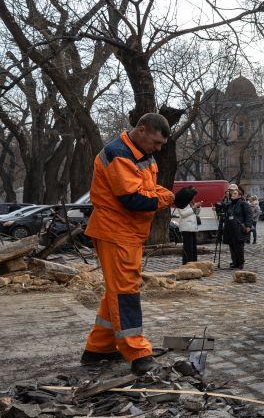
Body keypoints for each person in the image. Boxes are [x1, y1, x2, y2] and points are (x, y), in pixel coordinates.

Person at [81, 113, 196, 375]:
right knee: (125, 293)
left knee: (117, 291)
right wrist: (171, 200)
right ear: (141, 130)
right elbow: (133, 199)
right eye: (155, 143)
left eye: (160, 146)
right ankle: (137, 353)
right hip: (115, 232)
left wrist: (172, 197)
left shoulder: (141, 154)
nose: (158, 149)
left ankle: (98, 348)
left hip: (126, 234)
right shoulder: (119, 154)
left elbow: (150, 189)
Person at [223, 185, 253, 269]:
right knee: (232, 246)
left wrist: (248, 226)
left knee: (239, 246)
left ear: (240, 195)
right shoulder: (230, 204)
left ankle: (240, 262)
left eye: (235, 193)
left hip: (239, 228)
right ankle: (235, 262)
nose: (233, 194)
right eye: (232, 193)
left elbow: (249, 215)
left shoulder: (243, 204)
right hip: (230, 228)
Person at [174, 200, 202, 264]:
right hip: (186, 228)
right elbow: (183, 214)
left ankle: (194, 262)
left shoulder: (191, 203)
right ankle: (187, 263)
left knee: (193, 247)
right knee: (188, 247)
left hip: (193, 227)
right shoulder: (181, 203)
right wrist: (193, 207)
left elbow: (196, 213)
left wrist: (198, 207)